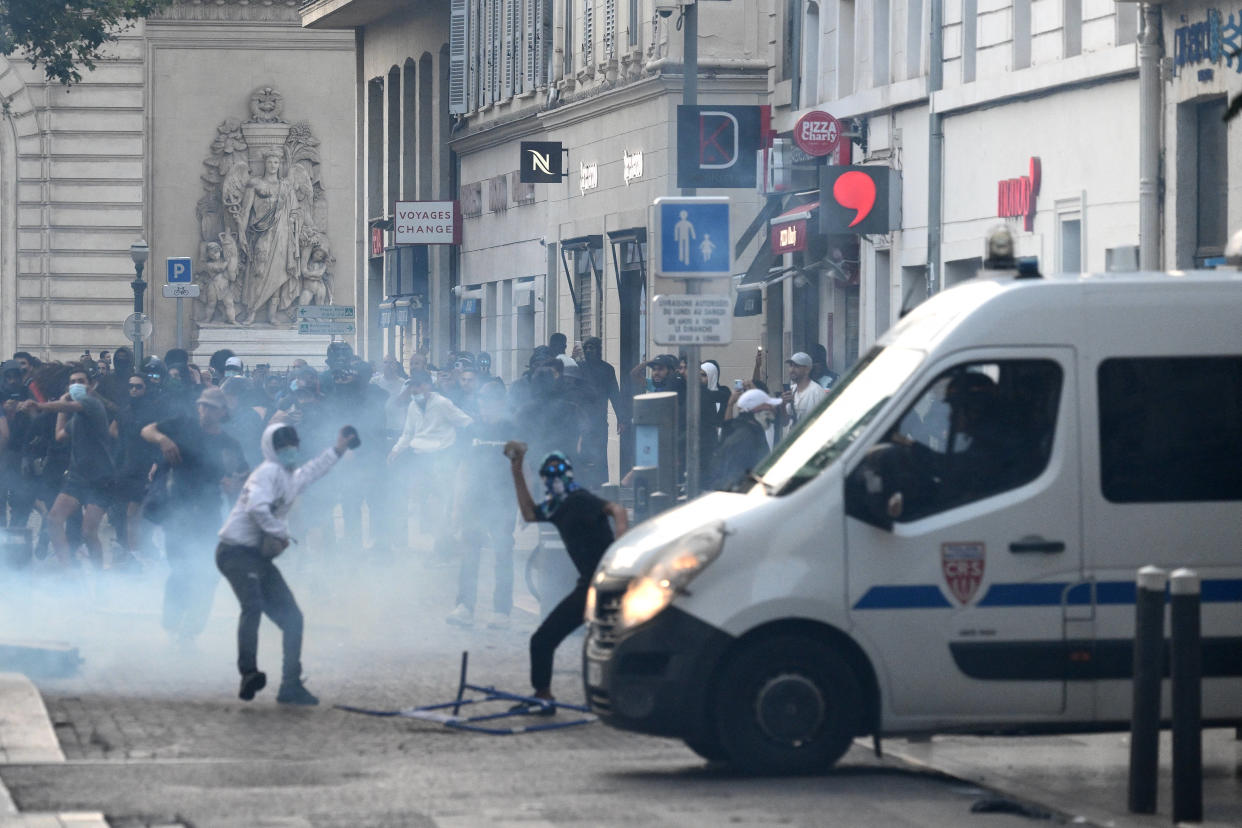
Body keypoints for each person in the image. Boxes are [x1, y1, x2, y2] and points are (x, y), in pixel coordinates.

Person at [216, 423, 357, 705]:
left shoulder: (289, 475)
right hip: (235, 552)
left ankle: (290, 684)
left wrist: (338, 449)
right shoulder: (268, 473)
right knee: (252, 606)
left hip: (256, 556)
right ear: (271, 448)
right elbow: (257, 507)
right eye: (283, 445)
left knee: (293, 618)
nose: (290, 449)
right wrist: (281, 534)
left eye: (293, 443)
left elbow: (313, 471)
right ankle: (249, 673)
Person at [503, 443, 627, 712]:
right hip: (589, 586)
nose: (554, 480)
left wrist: (621, 544)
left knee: (612, 642)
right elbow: (527, 512)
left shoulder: (579, 499)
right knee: (544, 640)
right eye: (549, 475)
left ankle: (618, 697)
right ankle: (544, 697)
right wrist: (516, 468)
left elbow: (617, 510)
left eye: (557, 474)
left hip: (605, 584)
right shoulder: (556, 507)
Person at [142, 388, 249, 644]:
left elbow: (244, 474)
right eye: (202, 405)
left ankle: (190, 631)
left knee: (209, 574)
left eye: (211, 407)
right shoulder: (182, 426)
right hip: (176, 513)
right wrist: (163, 440)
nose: (204, 410)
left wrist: (235, 484)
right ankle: (171, 624)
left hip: (209, 514)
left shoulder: (229, 444)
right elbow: (147, 430)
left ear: (223, 412)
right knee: (181, 570)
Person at [20, 366, 116, 567]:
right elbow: (60, 435)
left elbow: (72, 407)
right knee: (54, 520)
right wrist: (62, 406)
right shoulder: (76, 417)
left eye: (81, 381)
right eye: (72, 382)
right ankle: (68, 571)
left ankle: (99, 579)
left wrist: (41, 405)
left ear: (90, 386)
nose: (76, 385)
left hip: (100, 478)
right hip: (77, 477)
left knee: (88, 532)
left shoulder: (93, 404)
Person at [447, 381, 516, 629]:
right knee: (470, 553)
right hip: (474, 500)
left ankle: (502, 612)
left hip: (505, 501)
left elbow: (523, 467)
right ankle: (464, 607)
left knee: (503, 554)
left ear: (500, 402)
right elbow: (463, 469)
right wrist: (457, 505)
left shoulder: (512, 429)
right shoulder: (472, 430)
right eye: (481, 400)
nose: (483, 405)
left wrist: (528, 505)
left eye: (488, 400)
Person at [577, 337, 628, 488]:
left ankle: (601, 489)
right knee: (582, 457)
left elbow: (615, 395)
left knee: (600, 459)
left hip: (599, 422)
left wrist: (621, 418)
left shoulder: (607, 369)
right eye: (586, 348)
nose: (588, 351)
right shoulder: (579, 367)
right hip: (581, 422)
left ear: (599, 349)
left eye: (591, 347)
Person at [712, 389, 779, 489]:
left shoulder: (749, 432)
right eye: (768, 406)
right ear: (756, 410)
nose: (772, 411)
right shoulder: (745, 437)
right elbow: (736, 476)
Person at [781, 352, 828, 425]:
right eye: (791, 366)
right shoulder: (792, 390)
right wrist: (783, 404)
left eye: (796, 366)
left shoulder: (817, 392)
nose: (792, 370)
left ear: (807, 370)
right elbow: (784, 423)